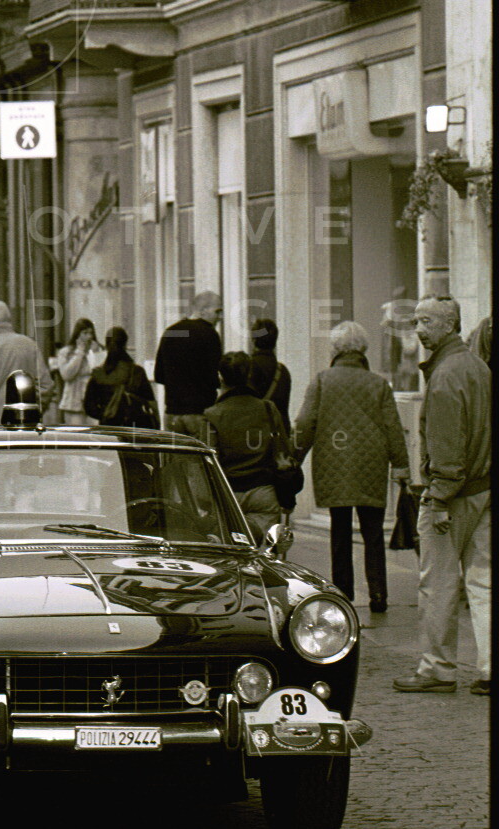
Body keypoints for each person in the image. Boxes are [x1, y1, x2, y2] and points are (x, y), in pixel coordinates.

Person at [393, 296, 491, 696]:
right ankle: (488, 668)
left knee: (438, 584)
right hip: (482, 489)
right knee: (483, 583)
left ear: (450, 324)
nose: (418, 329)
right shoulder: (478, 367)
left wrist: (437, 498)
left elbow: (447, 446)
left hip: (453, 495)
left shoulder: (448, 374)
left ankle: (437, 667)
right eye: (416, 321)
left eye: (426, 321)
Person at [293, 322, 410, 611]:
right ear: (363, 349)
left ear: (335, 349)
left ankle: (343, 591)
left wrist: (294, 456)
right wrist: (400, 464)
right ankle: (378, 594)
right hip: (372, 462)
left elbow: (306, 423)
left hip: (334, 461)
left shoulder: (322, 380)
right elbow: (393, 427)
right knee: (373, 533)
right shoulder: (378, 384)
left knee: (340, 530)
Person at [203, 351, 289, 546]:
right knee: (265, 555)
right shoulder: (268, 409)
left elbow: (209, 462)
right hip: (263, 491)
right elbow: (283, 452)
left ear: (221, 377)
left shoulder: (213, 415)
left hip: (228, 495)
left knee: (229, 553)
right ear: (249, 375)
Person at [154, 292, 222, 436]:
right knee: (203, 450)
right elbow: (214, 376)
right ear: (203, 310)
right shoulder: (209, 334)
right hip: (199, 412)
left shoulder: (171, 332)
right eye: (217, 311)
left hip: (172, 413)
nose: (220, 317)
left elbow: (159, 375)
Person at [83, 328, 157, 427]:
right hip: (134, 426)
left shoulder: (98, 374)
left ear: (107, 345)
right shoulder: (137, 371)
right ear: (125, 344)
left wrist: (105, 415)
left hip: (109, 426)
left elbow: (89, 407)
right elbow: (150, 401)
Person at [55, 319, 105, 425]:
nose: (89, 337)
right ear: (78, 334)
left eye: (91, 333)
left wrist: (96, 354)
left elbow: (101, 373)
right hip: (74, 403)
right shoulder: (66, 352)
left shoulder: (98, 351)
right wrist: (79, 353)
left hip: (94, 402)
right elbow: (66, 375)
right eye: (85, 333)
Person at [247, 318, 292, 433]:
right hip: (279, 433)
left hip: (254, 432)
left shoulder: (247, 368)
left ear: (253, 340)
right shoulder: (283, 371)